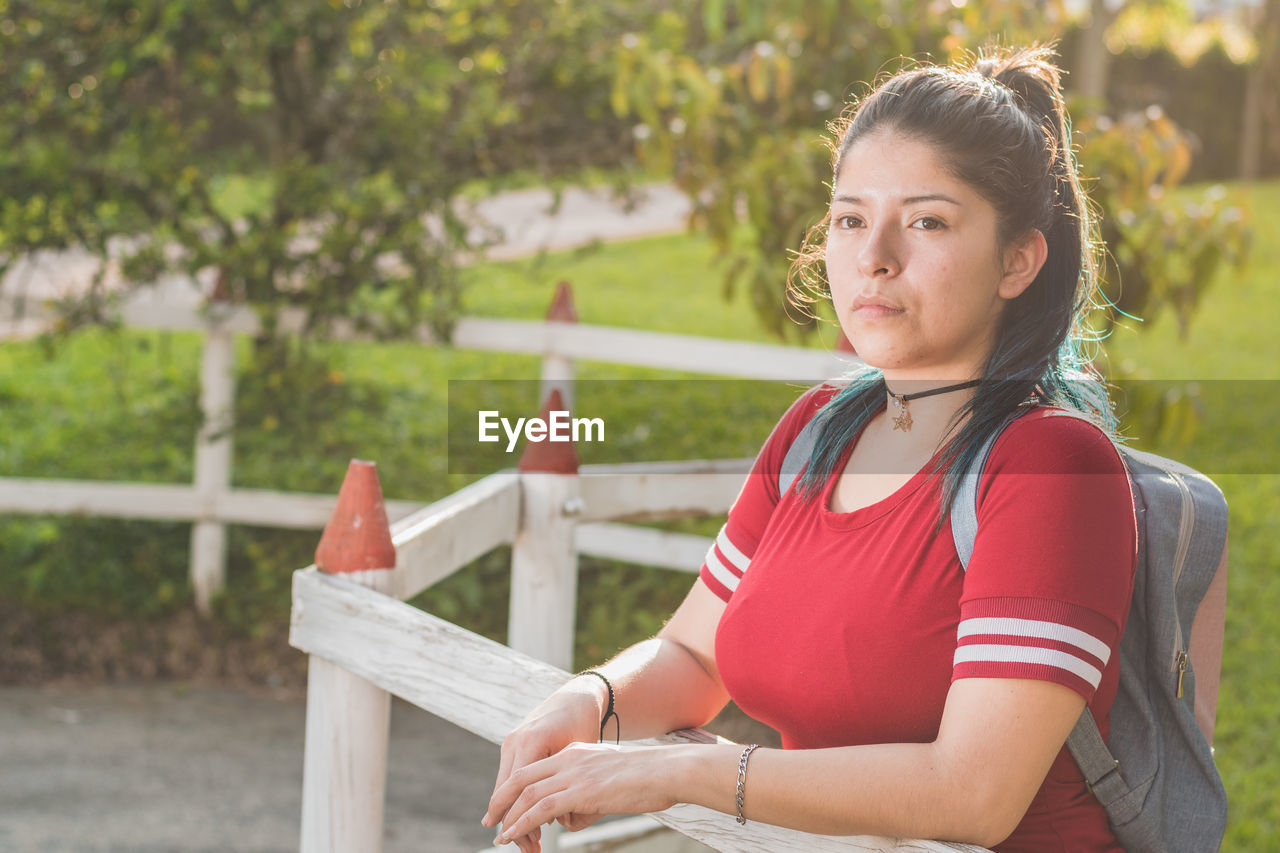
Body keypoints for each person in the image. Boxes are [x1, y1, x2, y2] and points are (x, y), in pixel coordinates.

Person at [482, 42, 1138, 853]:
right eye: (851, 218)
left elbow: (971, 794)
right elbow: (693, 651)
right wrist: (589, 699)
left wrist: (671, 774)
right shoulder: (818, 430)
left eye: (926, 221)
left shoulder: (1050, 466)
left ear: (1017, 261)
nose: (874, 257)